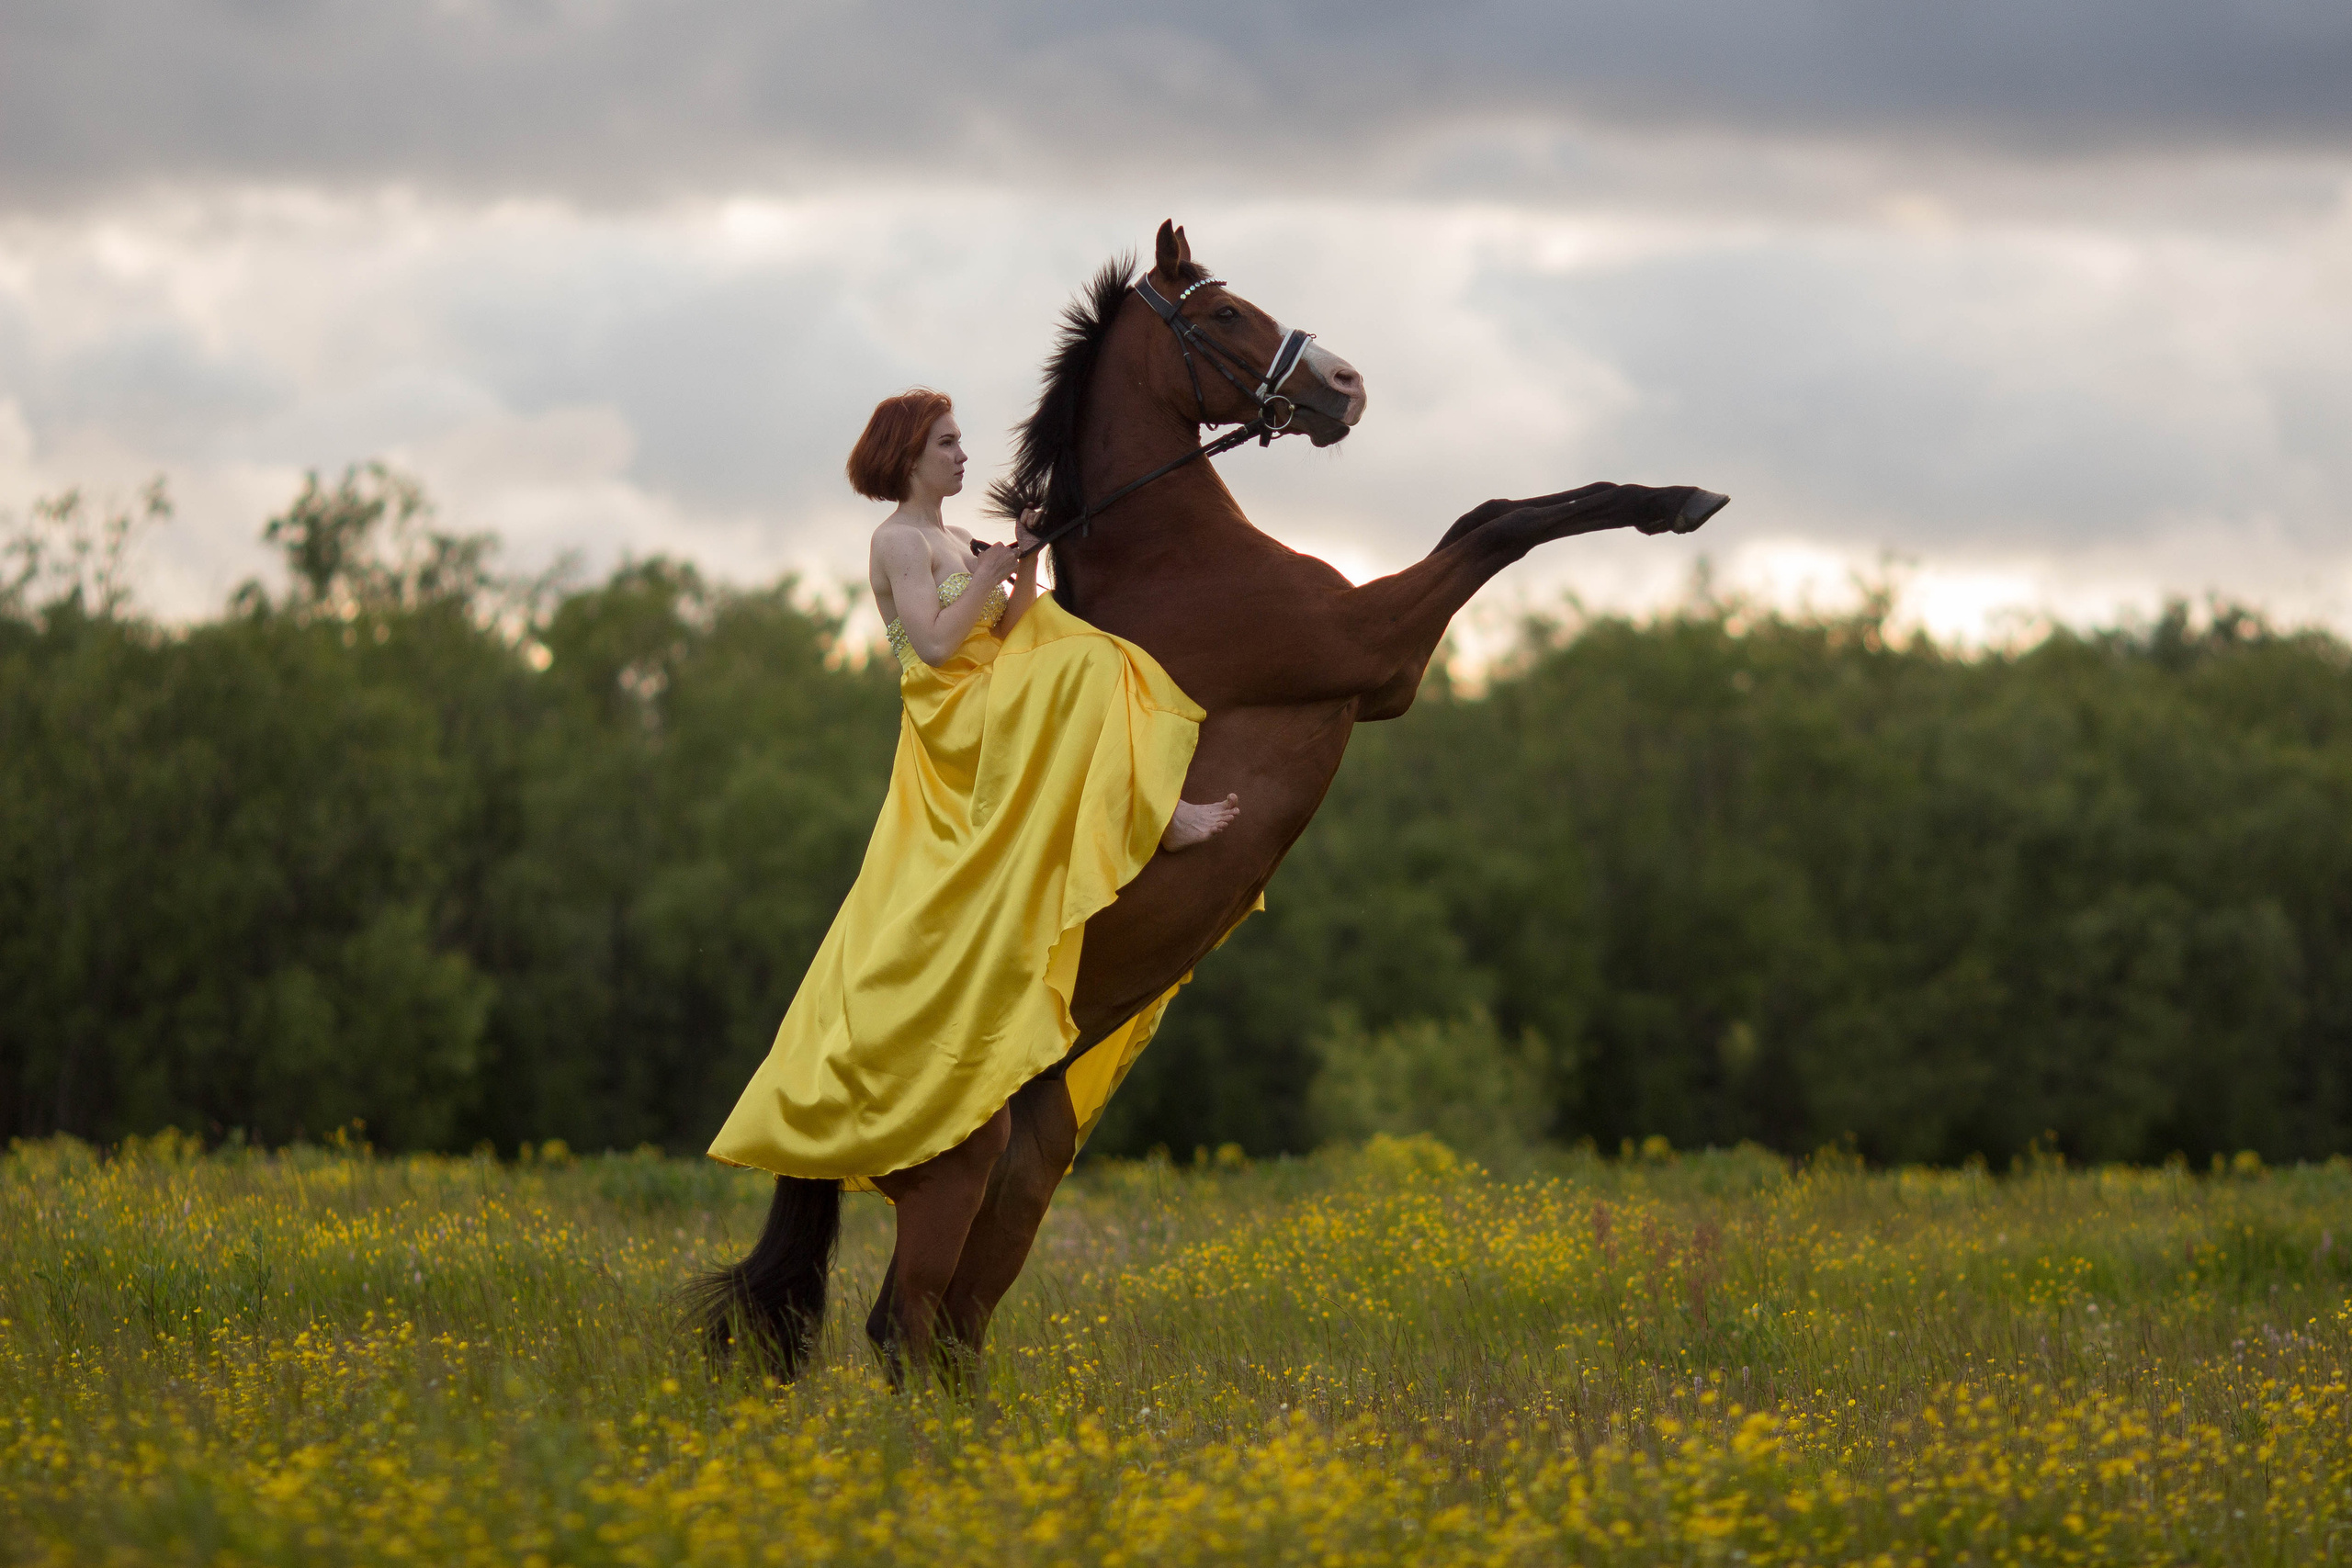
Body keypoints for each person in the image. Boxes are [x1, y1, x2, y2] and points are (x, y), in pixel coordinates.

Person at [707, 388, 1238, 1376]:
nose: (962, 455)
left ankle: (1139, 817)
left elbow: (1003, 630)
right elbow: (941, 647)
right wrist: (987, 571)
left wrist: (1020, 570)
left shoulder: (951, 539)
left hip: (985, 701)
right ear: (909, 452)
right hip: (949, 724)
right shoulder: (900, 543)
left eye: (959, 442)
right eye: (948, 442)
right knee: (1085, 669)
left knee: (1072, 642)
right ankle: (1156, 818)